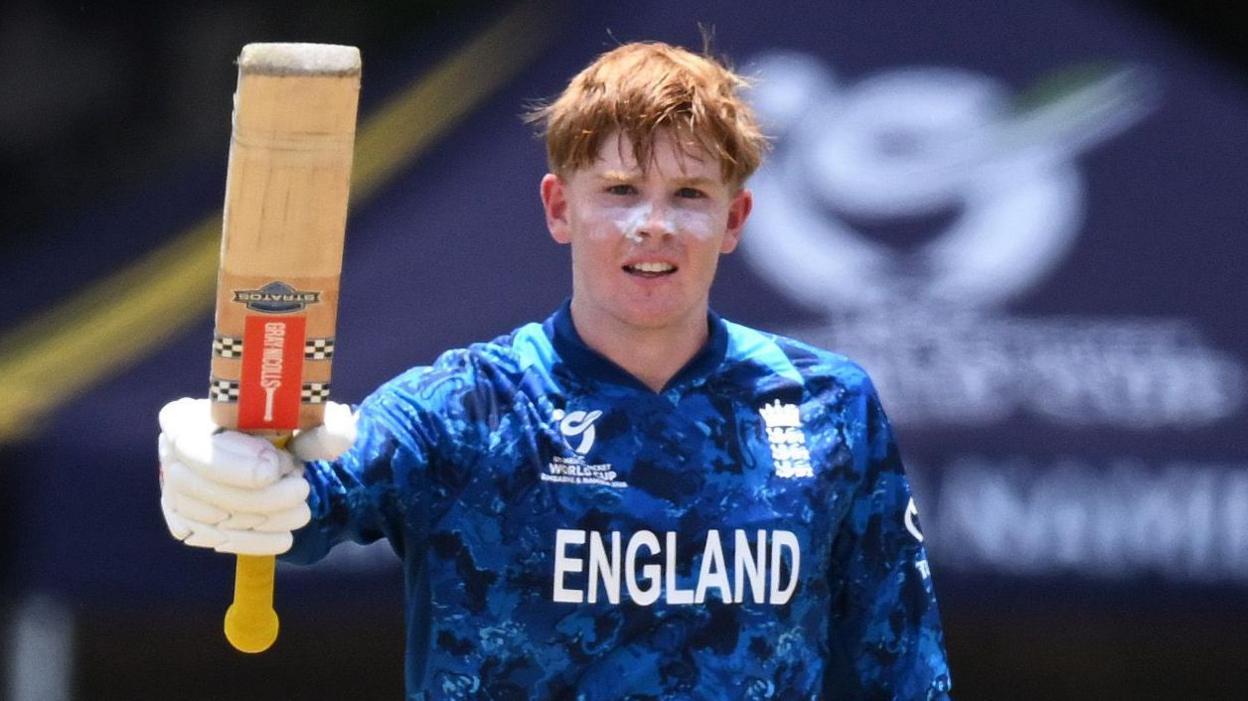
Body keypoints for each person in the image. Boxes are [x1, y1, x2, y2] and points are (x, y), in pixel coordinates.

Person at [158, 41, 953, 700]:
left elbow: (905, 671)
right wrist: (234, 469)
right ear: (558, 207)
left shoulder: (828, 405)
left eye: (688, 193)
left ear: (734, 218)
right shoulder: (463, 406)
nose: (653, 225)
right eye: (618, 189)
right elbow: (304, 505)